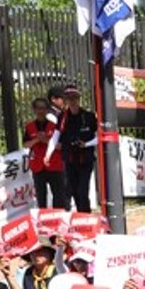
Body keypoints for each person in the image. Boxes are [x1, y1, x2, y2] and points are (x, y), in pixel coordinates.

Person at [58, 83, 97, 213]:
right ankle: (81, 216)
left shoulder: (88, 117)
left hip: (85, 159)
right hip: (69, 159)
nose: (72, 101)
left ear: (79, 99)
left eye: (74, 98)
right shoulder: (63, 118)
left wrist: (86, 144)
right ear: (66, 100)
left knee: (82, 190)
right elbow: (56, 136)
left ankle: (86, 216)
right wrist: (48, 153)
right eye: (69, 98)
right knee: (72, 190)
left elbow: (99, 137)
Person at [23, 97, 66, 209]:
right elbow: (25, 144)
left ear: (47, 109)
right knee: (41, 198)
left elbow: (61, 146)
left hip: (55, 165)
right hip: (38, 166)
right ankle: (43, 221)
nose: (40, 111)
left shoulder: (55, 126)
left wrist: (46, 140)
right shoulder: (29, 126)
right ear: (34, 109)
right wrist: (37, 139)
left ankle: (58, 220)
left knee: (59, 197)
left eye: (43, 108)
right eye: (38, 108)